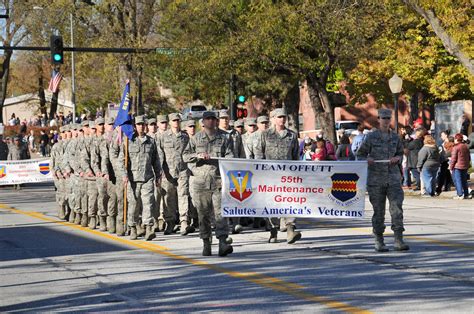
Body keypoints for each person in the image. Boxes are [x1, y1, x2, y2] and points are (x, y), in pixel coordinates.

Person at [357, 108, 409, 252]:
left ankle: (398, 240)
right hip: (376, 180)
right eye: (383, 118)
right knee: (378, 211)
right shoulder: (371, 137)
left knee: (397, 210)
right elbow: (360, 154)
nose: (386, 121)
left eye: (388, 118)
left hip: (393, 179)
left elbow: (400, 153)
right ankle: (379, 240)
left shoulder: (395, 137)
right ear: (378, 119)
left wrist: (397, 158)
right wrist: (367, 159)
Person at [183, 111, 234, 257]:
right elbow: (185, 156)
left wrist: (222, 159)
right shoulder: (196, 138)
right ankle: (206, 242)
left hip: (218, 180)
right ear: (203, 122)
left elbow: (230, 155)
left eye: (213, 119)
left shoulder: (225, 137)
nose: (211, 121)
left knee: (220, 213)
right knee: (203, 214)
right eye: (208, 119)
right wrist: (197, 156)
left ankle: (223, 242)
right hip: (201, 182)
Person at [253, 108, 302, 244]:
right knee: (272, 203)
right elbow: (258, 154)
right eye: (279, 117)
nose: (282, 119)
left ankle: (290, 230)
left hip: (288, 176)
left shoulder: (292, 135)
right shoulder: (265, 135)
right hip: (270, 176)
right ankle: (273, 230)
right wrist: (261, 170)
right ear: (273, 119)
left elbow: (296, 156)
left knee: (290, 202)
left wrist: (297, 173)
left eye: (284, 117)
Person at [119, 115, 162, 240]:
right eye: (138, 124)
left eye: (143, 124)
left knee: (148, 203)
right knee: (133, 205)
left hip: (147, 177)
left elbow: (156, 161)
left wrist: (158, 175)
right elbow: (122, 161)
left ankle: (148, 228)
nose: (141, 127)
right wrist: (124, 175)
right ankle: (132, 227)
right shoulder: (128, 140)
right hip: (133, 179)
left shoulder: (151, 141)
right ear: (134, 126)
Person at [157, 112, 194, 236]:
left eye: (178, 120)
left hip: (183, 170)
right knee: (168, 197)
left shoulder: (185, 136)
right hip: (168, 172)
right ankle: (170, 222)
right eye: (173, 121)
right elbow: (160, 154)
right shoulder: (163, 136)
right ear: (170, 122)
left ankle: (184, 222)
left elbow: (189, 152)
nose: (176, 123)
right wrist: (161, 171)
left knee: (183, 195)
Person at [450, 133, 472, 199]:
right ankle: (466, 194)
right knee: (464, 180)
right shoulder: (465, 146)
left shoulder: (456, 147)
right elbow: (469, 157)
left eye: (454, 139)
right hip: (465, 166)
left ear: (456, 139)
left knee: (458, 180)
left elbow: (453, 159)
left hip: (457, 166)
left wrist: (451, 167)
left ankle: (460, 194)